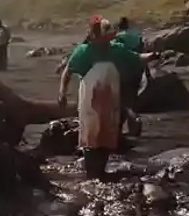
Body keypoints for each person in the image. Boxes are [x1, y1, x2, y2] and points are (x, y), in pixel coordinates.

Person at [56, 18, 145, 178]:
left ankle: (100, 172)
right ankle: (92, 173)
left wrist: (153, 55)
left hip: (110, 100)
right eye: (106, 32)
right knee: (91, 134)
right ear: (95, 35)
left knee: (108, 133)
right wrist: (62, 92)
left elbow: (136, 57)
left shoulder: (115, 50)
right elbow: (67, 72)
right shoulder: (84, 51)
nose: (110, 34)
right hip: (90, 101)